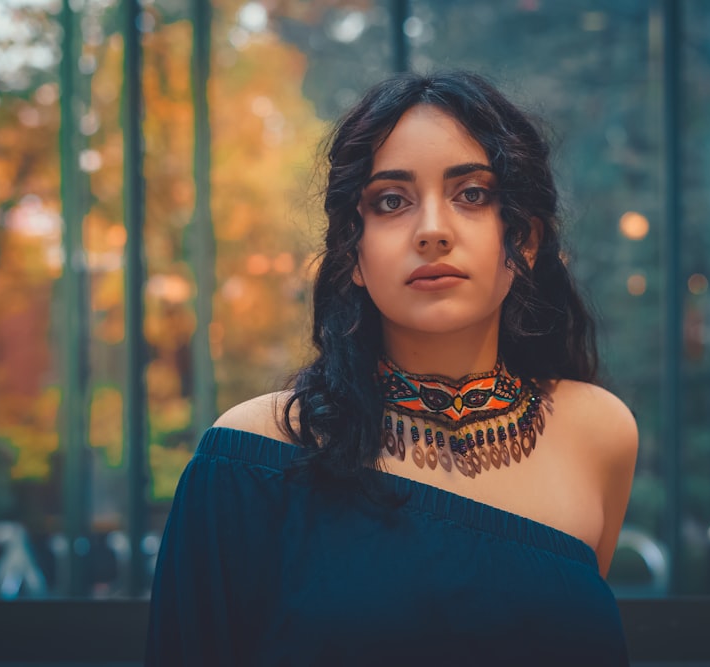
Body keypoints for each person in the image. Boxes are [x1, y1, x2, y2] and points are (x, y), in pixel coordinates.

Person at [146, 70, 638, 666]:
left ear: (525, 242)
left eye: (472, 194)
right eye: (391, 202)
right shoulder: (248, 456)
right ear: (353, 256)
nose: (432, 230)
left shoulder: (599, 434)